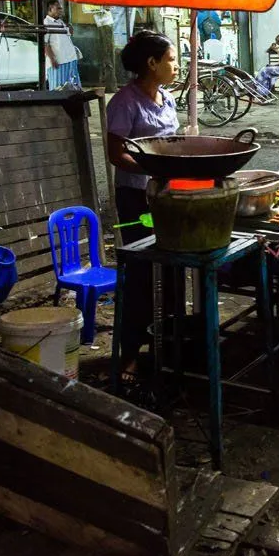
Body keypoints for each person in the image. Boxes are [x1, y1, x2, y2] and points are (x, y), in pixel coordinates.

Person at [104, 31, 180, 377]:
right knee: (141, 271)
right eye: (171, 59)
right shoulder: (124, 102)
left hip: (166, 196)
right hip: (136, 199)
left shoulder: (166, 99)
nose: (176, 66)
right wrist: (152, 169)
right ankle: (129, 356)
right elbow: (116, 154)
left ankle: (171, 347)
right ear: (152, 64)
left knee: (173, 268)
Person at [44, 0, 81, 89]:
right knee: (58, 88)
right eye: (58, 8)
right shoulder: (46, 22)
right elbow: (44, 43)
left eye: (60, 8)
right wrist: (52, 59)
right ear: (50, 9)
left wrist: (70, 28)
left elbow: (69, 34)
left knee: (73, 87)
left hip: (70, 59)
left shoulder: (60, 21)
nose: (61, 10)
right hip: (59, 61)